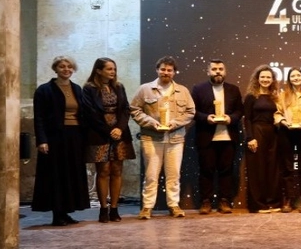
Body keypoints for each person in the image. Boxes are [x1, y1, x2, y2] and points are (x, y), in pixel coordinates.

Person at [130, 56, 195, 219]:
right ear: (157, 70)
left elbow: (190, 112)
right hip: (151, 138)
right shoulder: (145, 89)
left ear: (174, 72)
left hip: (175, 139)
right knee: (151, 175)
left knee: (174, 175)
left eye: (169, 70)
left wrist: (174, 123)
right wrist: (151, 122)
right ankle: (147, 207)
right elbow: (134, 109)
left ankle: (173, 205)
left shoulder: (183, 91)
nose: (166, 72)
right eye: (163, 69)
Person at [31, 55, 90, 226]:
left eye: (69, 67)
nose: (66, 69)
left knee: (71, 175)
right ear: (55, 69)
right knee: (56, 175)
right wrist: (42, 140)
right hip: (55, 137)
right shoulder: (44, 90)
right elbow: (39, 118)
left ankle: (66, 212)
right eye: (62, 66)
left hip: (75, 136)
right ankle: (57, 214)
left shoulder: (77, 89)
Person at [81, 57, 136, 223]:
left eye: (114, 69)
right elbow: (90, 113)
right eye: (109, 69)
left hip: (119, 133)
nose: (113, 72)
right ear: (99, 70)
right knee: (103, 171)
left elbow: (125, 109)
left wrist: (119, 128)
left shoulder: (119, 86)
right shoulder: (89, 88)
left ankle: (114, 208)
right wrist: (109, 131)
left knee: (117, 170)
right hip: (99, 133)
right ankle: (103, 209)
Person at [192, 59, 244, 214]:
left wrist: (230, 118)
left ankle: (225, 201)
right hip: (206, 137)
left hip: (228, 137)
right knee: (206, 171)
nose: (218, 72)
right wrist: (206, 118)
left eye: (221, 69)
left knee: (227, 171)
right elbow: (192, 111)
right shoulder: (198, 89)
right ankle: (205, 202)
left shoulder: (233, 89)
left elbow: (240, 111)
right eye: (214, 69)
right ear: (208, 71)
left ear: (225, 71)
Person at [274, 68, 301, 213]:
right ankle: (288, 199)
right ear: (289, 79)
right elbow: (277, 113)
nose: (296, 78)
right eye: (293, 76)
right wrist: (283, 121)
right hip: (287, 132)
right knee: (287, 167)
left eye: (298, 75)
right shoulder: (282, 95)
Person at [243, 65, 281, 213]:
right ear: (257, 79)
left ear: (273, 80)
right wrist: (250, 138)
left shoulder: (275, 96)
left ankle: (273, 202)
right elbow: (247, 119)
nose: (265, 79)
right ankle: (258, 204)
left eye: (268, 77)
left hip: (273, 133)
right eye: (263, 77)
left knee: (272, 168)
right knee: (257, 169)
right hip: (257, 132)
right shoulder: (251, 96)